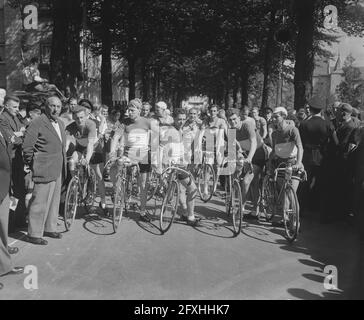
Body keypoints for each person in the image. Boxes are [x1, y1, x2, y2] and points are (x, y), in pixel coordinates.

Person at [22, 96, 67, 245]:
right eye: (52, 106)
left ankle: (49, 228)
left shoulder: (60, 123)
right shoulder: (37, 122)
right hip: (43, 167)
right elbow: (27, 147)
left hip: (58, 166)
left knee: (54, 200)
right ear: (46, 107)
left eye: (58, 106)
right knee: (39, 201)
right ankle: (34, 233)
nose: (55, 109)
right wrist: (34, 164)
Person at [109, 99, 152, 221]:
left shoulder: (147, 122)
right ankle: (118, 190)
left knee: (143, 185)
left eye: (132, 110)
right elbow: (116, 137)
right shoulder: (125, 122)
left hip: (143, 155)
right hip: (129, 155)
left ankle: (142, 212)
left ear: (139, 110)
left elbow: (156, 139)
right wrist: (112, 153)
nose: (129, 112)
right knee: (113, 169)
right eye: (129, 110)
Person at [299, 96, 337, 219]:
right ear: (321, 110)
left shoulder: (304, 124)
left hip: (307, 156)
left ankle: (301, 210)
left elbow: (299, 142)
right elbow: (336, 142)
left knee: (304, 184)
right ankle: (322, 214)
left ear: (311, 109)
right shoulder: (328, 124)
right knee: (322, 184)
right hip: (322, 157)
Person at [162, 108, 200, 226]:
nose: (182, 121)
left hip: (179, 164)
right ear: (174, 118)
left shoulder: (179, 130)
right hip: (174, 166)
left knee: (172, 192)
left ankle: (184, 212)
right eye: (179, 119)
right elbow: (161, 147)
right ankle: (190, 217)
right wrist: (162, 165)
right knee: (192, 189)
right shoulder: (171, 131)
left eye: (184, 119)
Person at [66, 106, 107, 211]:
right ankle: (75, 185)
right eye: (76, 118)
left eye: (81, 117)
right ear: (73, 117)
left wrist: (87, 159)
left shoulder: (91, 124)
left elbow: (90, 144)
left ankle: (103, 201)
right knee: (71, 161)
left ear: (86, 116)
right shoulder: (70, 126)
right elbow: (66, 145)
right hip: (80, 148)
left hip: (94, 148)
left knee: (99, 176)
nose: (79, 120)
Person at [226, 108, 265, 218]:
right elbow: (232, 148)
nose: (233, 122)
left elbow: (253, 143)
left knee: (246, 181)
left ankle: (241, 208)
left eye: (234, 119)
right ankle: (255, 209)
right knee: (254, 183)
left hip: (258, 153)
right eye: (230, 120)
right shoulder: (231, 131)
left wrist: (249, 158)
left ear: (239, 118)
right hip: (247, 154)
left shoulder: (247, 125)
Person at [0, 104, 24, 281]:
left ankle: (4, 266)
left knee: (2, 228)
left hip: (3, 184)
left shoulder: (2, 127)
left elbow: (13, 141)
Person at [0, 95, 27, 229]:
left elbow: (24, 129)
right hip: (8, 160)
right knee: (10, 192)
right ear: (6, 106)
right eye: (14, 107)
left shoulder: (15, 116)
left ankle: (19, 219)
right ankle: (9, 223)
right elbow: (11, 139)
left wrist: (19, 133)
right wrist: (20, 134)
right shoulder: (2, 118)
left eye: (18, 107)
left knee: (19, 190)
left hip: (18, 159)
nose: (17, 109)